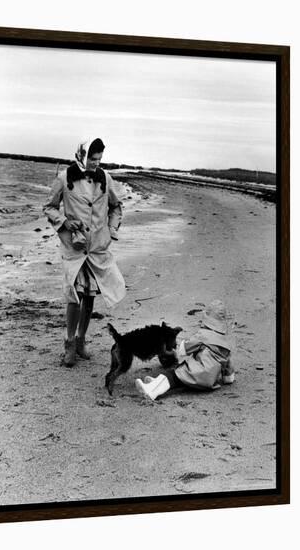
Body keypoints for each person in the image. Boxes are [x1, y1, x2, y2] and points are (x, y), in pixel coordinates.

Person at [43, 138, 126, 366]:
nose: (96, 163)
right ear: (81, 155)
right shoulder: (64, 178)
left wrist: (111, 231)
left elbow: (116, 207)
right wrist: (64, 222)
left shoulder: (105, 179)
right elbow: (49, 207)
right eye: (92, 158)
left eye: (99, 159)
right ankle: (69, 343)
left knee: (89, 297)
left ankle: (81, 341)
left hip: (97, 248)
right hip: (75, 247)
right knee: (74, 296)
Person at [135, 299, 235, 400]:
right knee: (181, 381)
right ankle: (156, 382)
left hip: (197, 373)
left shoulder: (203, 335)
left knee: (173, 376)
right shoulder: (225, 342)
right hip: (210, 381)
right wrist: (227, 378)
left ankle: (151, 390)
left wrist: (176, 352)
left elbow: (186, 347)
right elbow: (228, 371)